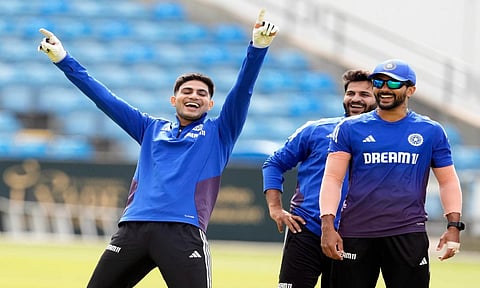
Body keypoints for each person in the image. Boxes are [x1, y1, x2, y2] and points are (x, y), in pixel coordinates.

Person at [38, 9, 278, 288]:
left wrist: (258, 47)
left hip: (182, 232)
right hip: (133, 229)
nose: (194, 96)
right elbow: (104, 98)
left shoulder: (220, 131)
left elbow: (243, 90)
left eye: (202, 94)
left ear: (210, 105)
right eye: (187, 91)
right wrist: (63, 60)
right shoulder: (149, 127)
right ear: (173, 99)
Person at [319, 59, 465, 288]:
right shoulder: (349, 128)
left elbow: (447, 181)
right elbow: (332, 179)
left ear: (411, 90)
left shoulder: (431, 131)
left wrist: (453, 226)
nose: (385, 89)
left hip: (407, 233)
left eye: (394, 84)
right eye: (379, 82)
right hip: (356, 233)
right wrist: (327, 226)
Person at [262, 69, 377, 288]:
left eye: (364, 94)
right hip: (306, 228)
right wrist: (275, 208)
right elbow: (274, 164)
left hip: (356, 235)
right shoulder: (315, 130)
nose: (355, 99)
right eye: (350, 93)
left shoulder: (386, 140)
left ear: (378, 98)